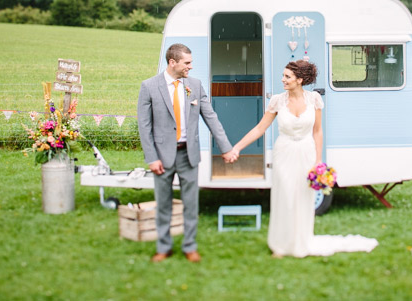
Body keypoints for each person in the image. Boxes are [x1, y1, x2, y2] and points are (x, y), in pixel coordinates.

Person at [229, 60, 378, 257]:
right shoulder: (277, 101)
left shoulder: (314, 99)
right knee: (284, 197)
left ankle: (301, 242)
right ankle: (280, 246)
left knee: (303, 199)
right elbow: (260, 128)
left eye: (287, 77)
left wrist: (318, 161)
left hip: (307, 153)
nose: (283, 80)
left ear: (299, 80)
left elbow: (317, 132)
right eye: (283, 76)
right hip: (284, 152)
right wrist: (236, 148)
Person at [137, 43, 237, 263]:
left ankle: (189, 246)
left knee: (191, 204)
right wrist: (151, 158)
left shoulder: (195, 85)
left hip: (188, 154)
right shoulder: (149, 87)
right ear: (173, 62)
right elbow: (144, 126)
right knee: (163, 204)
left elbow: (211, 117)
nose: (191, 67)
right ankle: (164, 247)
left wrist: (226, 148)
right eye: (187, 63)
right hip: (162, 157)